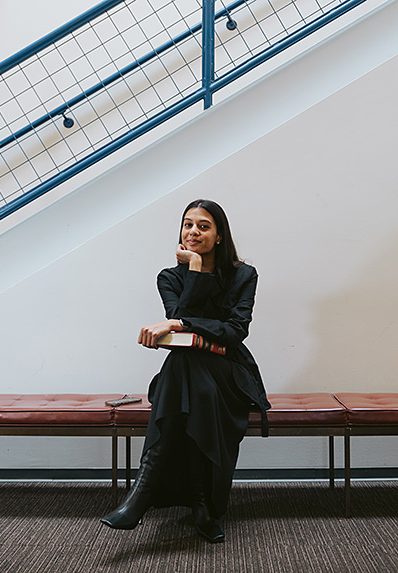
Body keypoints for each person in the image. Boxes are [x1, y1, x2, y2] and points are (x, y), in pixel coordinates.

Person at [101, 199, 271, 542]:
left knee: (184, 371)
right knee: (192, 382)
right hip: (196, 379)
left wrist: (181, 320)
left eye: (204, 226)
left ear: (220, 236)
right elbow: (184, 334)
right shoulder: (169, 277)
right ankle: (200, 505)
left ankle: (141, 494)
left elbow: (235, 331)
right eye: (188, 224)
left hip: (230, 371)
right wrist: (193, 271)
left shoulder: (243, 275)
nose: (193, 232)